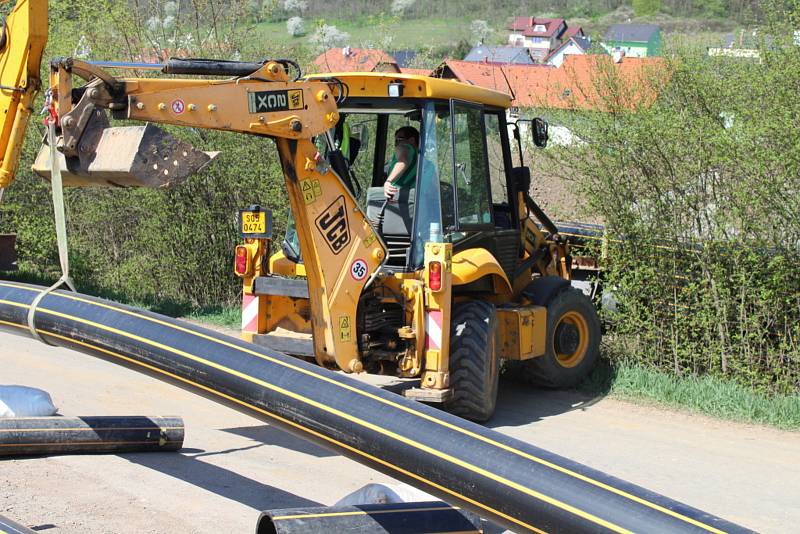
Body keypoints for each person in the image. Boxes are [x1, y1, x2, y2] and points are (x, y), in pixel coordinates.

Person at [383, 126, 419, 199]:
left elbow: (402, 162)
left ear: (412, 140)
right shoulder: (427, 163)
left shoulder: (405, 147)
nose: (396, 144)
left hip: (395, 196)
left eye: (398, 140)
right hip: (414, 201)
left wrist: (388, 182)